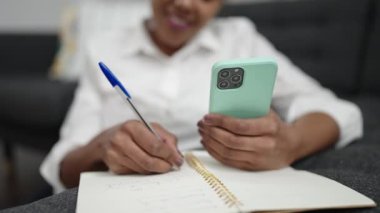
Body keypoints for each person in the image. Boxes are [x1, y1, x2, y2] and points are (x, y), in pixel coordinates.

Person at [40, 0, 362, 193]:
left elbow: (337, 110)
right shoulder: (105, 46)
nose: (186, 3)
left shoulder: (240, 39)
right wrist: (102, 147)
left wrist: (291, 143)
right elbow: (64, 164)